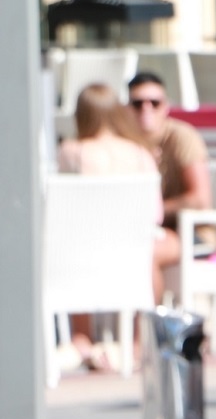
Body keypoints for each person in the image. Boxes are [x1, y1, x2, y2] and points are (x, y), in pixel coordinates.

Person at [56, 83, 172, 370]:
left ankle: (82, 338)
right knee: (155, 251)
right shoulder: (140, 154)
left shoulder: (72, 152)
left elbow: (63, 210)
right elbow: (155, 214)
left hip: (83, 251)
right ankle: (135, 340)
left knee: (67, 246)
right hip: (133, 248)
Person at [127, 72, 212, 236]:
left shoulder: (183, 137)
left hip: (189, 234)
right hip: (138, 233)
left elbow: (200, 200)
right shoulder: (124, 143)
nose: (146, 108)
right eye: (137, 103)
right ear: (127, 108)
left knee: (148, 254)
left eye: (154, 103)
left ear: (166, 106)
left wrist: (152, 213)